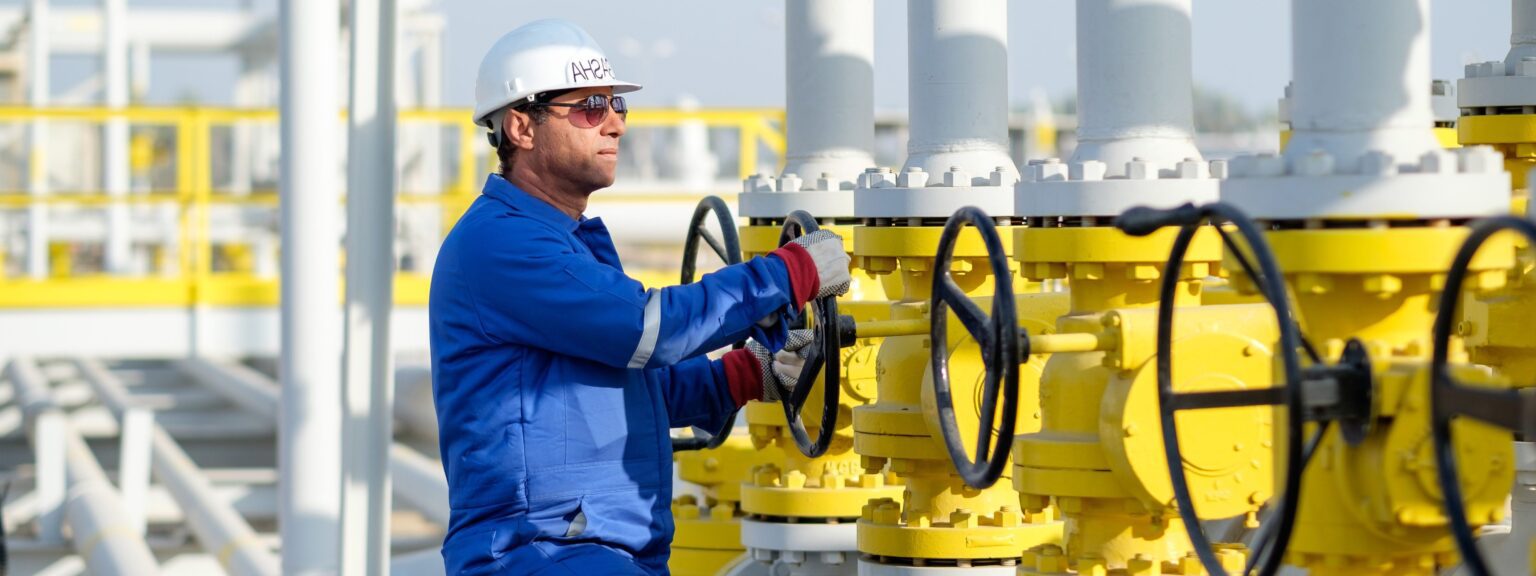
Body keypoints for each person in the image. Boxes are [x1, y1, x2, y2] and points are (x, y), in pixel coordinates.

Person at [429, 19, 851, 575]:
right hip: (543, 550)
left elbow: (623, 396)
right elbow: (652, 331)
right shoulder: (501, 243)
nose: (615, 125)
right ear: (520, 127)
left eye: (617, 106)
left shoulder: (569, 242)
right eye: (590, 107)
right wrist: (787, 274)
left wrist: (746, 376)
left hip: (596, 547)